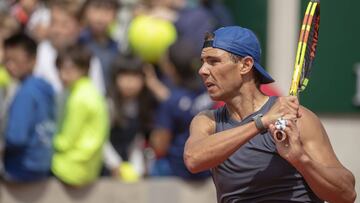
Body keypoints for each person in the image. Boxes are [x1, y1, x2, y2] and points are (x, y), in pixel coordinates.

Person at [184, 26, 356, 202]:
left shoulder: (300, 119)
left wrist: (301, 160)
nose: (202, 70)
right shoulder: (207, 121)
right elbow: (193, 159)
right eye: (203, 61)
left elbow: (347, 194)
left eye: (213, 61)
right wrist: (261, 123)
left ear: (245, 65)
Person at [149, 39, 213, 179]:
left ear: (170, 68)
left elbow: (160, 146)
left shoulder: (171, 102)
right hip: (208, 169)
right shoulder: (209, 92)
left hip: (180, 169)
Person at [52, 44, 108, 187]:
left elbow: (66, 141)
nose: (63, 75)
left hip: (72, 167)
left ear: (84, 69)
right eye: (60, 69)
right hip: (88, 167)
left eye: (70, 69)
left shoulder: (79, 97)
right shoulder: (90, 91)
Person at [2, 32, 55, 182]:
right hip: (43, 164)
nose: (10, 66)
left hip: (21, 167)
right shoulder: (44, 88)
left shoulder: (25, 93)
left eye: (16, 61)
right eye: (7, 61)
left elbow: (16, 137)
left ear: (33, 60)